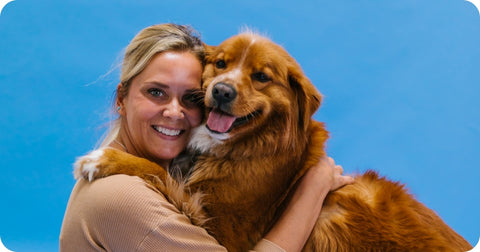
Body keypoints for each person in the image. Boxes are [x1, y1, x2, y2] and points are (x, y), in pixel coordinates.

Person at [59, 23, 354, 252]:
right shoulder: (123, 197)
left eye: (190, 97)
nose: (175, 112)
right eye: (156, 92)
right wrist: (312, 191)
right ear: (121, 98)